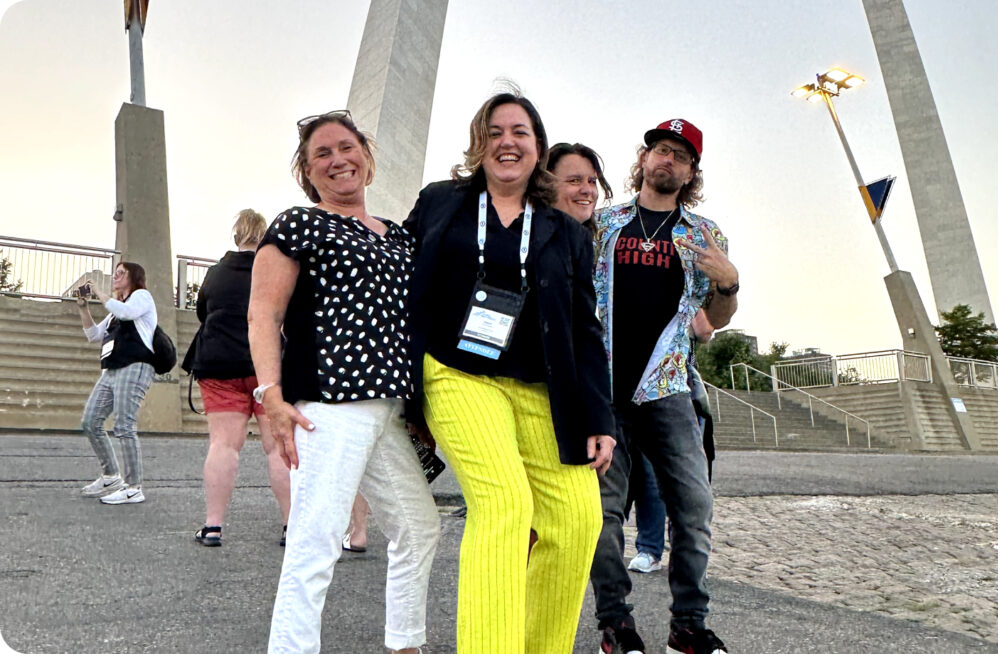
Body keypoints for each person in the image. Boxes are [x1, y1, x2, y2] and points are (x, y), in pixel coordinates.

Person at [403, 90, 615, 654]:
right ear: (478, 143)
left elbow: (584, 329)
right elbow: (397, 273)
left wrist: (601, 418)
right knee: (504, 504)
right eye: (495, 131)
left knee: (576, 520)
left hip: (541, 391)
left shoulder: (565, 231)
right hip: (457, 374)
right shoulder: (440, 202)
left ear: (538, 149)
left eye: (520, 132)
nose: (507, 142)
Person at [249, 110, 439, 654]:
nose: (337, 160)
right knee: (315, 543)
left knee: (419, 526)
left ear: (367, 156)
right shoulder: (300, 224)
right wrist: (272, 398)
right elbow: (263, 315)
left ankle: (405, 643)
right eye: (322, 155)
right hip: (330, 405)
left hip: (388, 411)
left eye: (346, 147)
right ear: (307, 174)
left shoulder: (400, 237)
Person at [589, 118, 738, 654]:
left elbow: (716, 317)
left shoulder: (704, 234)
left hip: (669, 385)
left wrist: (729, 281)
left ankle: (689, 625)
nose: (667, 160)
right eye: (660, 150)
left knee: (693, 507)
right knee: (602, 515)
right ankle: (615, 621)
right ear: (644, 158)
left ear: (692, 170)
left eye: (679, 154)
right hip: (604, 388)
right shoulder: (604, 224)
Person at [185, 209, 291, 547]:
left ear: (236, 236)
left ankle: (213, 525)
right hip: (268, 365)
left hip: (220, 364)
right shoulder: (277, 269)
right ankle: (292, 526)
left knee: (224, 445)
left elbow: (203, 312)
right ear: (264, 236)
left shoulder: (216, 273)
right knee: (277, 448)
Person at [76, 262, 157, 505]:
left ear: (134, 278)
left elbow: (126, 313)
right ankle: (111, 475)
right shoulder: (113, 313)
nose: (115, 277)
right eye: (115, 273)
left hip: (135, 366)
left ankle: (134, 487)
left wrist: (101, 294)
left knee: (124, 425)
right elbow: (93, 336)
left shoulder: (142, 297)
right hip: (111, 370)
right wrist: (83, 308)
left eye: (121, 274)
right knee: (90, 421)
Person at [546, 141, 613, 232]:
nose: (587, 190)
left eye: (592, 181)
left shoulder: (599, 240)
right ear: (546, 184)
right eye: (575, 181)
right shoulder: (525, 239)